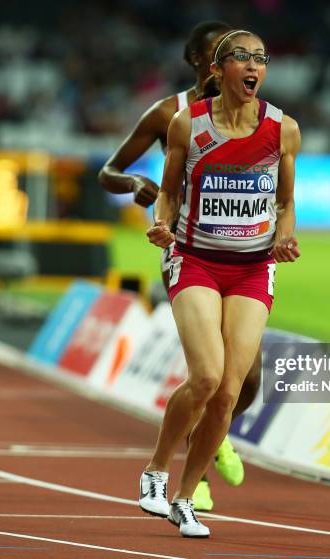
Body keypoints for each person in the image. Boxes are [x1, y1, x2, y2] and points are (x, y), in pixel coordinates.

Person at [139, 29, 301, 538]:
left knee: (230, 390)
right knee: (206, 376)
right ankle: (155, 471)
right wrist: (162, 224)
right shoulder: (190, 124)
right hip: (195, 259)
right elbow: (168, 192)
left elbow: (285, 203)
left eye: (261, 59)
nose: (254, 66)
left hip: (253, 266)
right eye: (242, 57)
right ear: (217, 70)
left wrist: (284, 237)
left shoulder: (283, 129)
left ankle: (185, 498)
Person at [98, 21, 261, 512]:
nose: (228, 64)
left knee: (246, 378)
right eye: (219, 54)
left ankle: (217, 428)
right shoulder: (168, 113)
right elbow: (108, 171)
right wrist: (134, 185)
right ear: (197, 60)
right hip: (187, 250)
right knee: (208, 372)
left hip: (241, 254)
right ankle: (196, 467)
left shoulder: (255, 115)